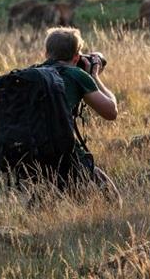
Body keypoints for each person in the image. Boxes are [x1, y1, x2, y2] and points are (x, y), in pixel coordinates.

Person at [39, 27, 120, 203]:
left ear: (46, 53)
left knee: (47, 194)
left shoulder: (33, 74)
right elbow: (111, 111)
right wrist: (94, 76)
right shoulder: (76, 75)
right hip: (62, 149)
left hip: (28, 148)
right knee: (113, 198)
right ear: (76, 57)